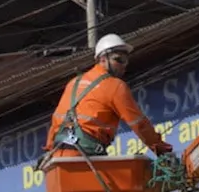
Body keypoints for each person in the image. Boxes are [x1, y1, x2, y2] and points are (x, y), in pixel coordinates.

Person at [40, 33, 173, 165]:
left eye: (125, 60)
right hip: (85, 159)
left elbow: (55, 122)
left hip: (58, 160)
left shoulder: (74, 83)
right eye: (119, 60)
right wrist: (162, 151)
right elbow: (139, 124)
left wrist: (50, 150)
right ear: (103, 59)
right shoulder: (115, 86)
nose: (124, 65)